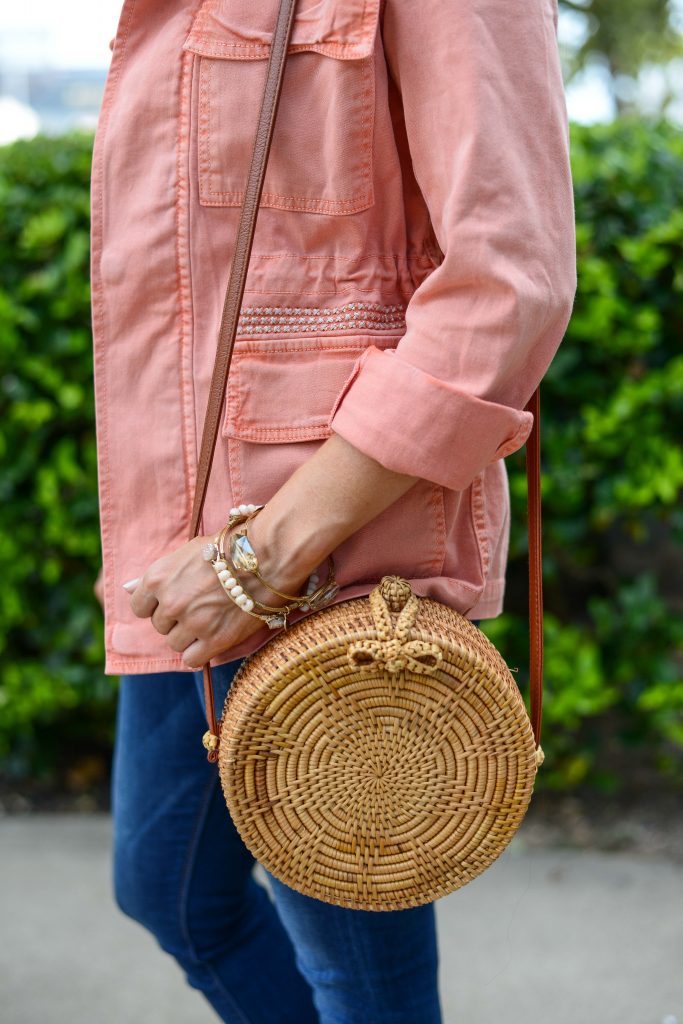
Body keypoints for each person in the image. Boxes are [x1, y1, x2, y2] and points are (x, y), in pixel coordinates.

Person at [91, 0, 577, 1020]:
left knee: (359, 973)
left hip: (324, 544)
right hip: (185, 527)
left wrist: (263, 555)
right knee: (168, 889)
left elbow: (507, 282)